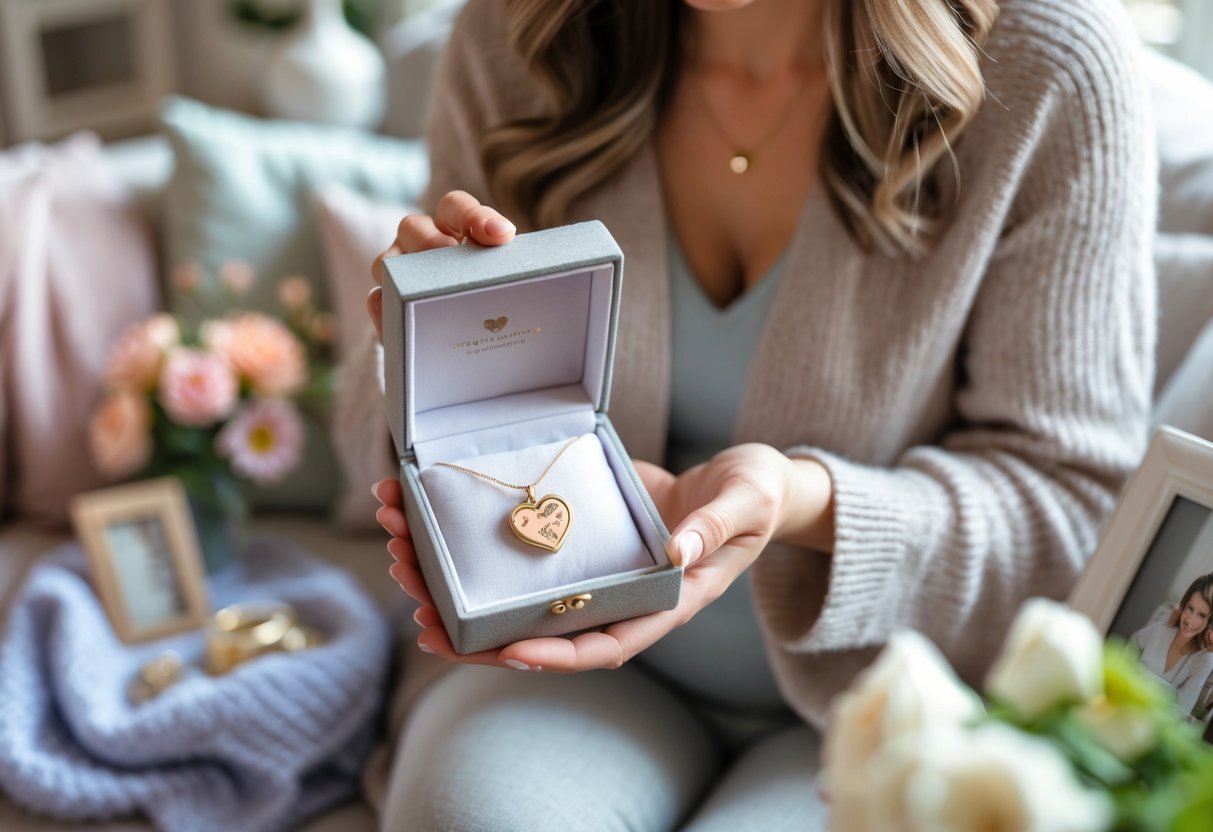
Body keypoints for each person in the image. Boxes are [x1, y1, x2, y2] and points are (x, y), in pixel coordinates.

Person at [357, 0, 1156, 827]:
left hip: (890, 698)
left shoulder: (1051, 68)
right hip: (572, 661)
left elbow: (1073, 518)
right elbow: (382, 457)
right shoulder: (521, 33)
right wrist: (420, 354)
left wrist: (800, 500)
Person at [1131, 575, 1213, 717]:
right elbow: (1122, 656)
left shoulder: (1204, 660)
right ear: (1183, 605)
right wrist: (1171, 694)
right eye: (1190, 608)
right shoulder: (1158, 631)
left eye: (1201, 615)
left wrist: (1139, 675)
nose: (1190, 620)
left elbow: (1182, 711)